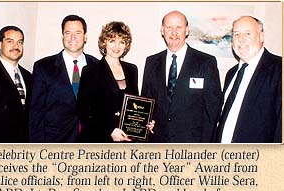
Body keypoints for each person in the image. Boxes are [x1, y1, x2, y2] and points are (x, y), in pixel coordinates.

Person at [141, 10, 222, 143]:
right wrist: (146, 122)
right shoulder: (151, 62)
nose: (174, 32)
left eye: (179, 27)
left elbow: (213, 109)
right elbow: (146, 102)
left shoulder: (205, 62)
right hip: (157, 141)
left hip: (192, 144)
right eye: (169, 27)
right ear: (162, 30)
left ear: (187, 30)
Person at [29, 15, 98, 143]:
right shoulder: (43, 67)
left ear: (85, 36)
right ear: (62, 36)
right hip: (55, 141)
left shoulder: (97, 66)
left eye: (78, 33)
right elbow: (36, 113)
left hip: (89, 142)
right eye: (68, 33)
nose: (73, 38)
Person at [216, 16, 282, 143]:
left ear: (261, 37)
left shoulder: (279, 69)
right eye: (236, 34)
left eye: (247, 33)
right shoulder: (232, 73)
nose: (240, 39)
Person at [77, 21, 141, 142]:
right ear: (104, 43)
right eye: (112, 41)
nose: (117, 47)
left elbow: (135, 105)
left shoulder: (132, 70)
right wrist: (109, 130)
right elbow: (83, 111)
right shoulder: (91, 70)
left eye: (121, 42)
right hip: (98, 139)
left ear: (126, 45)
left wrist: (144, 122)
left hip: (126, 140)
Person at [0, 26, 32, 143]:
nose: (16, 46)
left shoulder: (30, 77)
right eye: (10, 41)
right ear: (0, 44)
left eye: (19, 42)